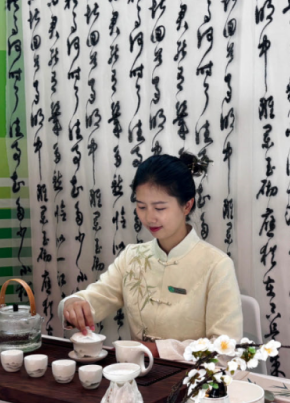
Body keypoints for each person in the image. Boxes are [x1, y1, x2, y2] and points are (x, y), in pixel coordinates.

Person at [62, 152, 242, 360]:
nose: (149, 217)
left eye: (159, 208)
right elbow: (96, 298)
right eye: (141, 207)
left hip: (193, 376)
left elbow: (226, 348)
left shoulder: (216, 265)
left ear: (187, 205)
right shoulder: (132, 257)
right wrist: (73, 304)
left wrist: (158, 350)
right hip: (138, 373)